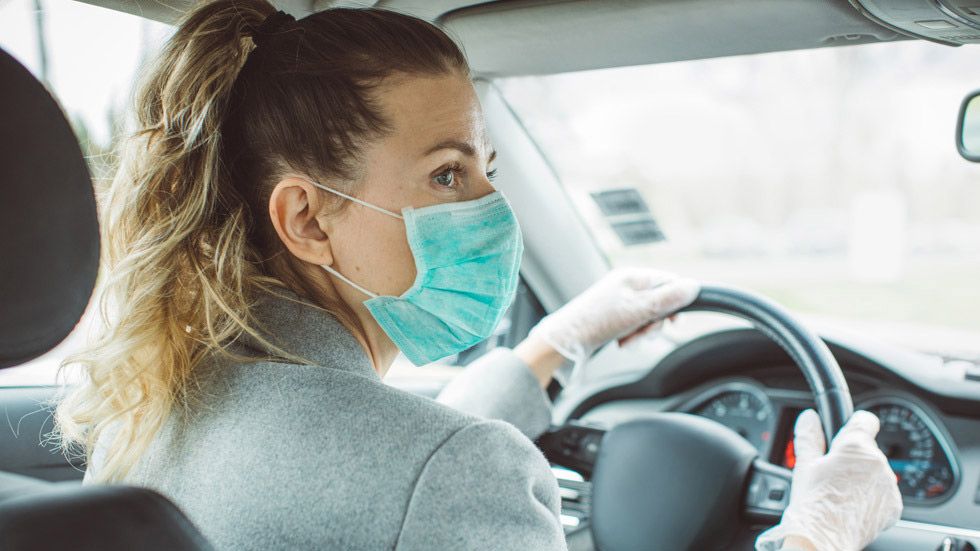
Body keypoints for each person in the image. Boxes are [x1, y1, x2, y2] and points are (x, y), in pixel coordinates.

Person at [55, 2, 902, 550]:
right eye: (449, 175)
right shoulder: (457, 473)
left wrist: (550, 348)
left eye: (488, 167)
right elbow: (416, 473)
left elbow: (374, 465)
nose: (496, 210)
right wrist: (818, 534)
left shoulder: (151, 406)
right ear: (308, 219)